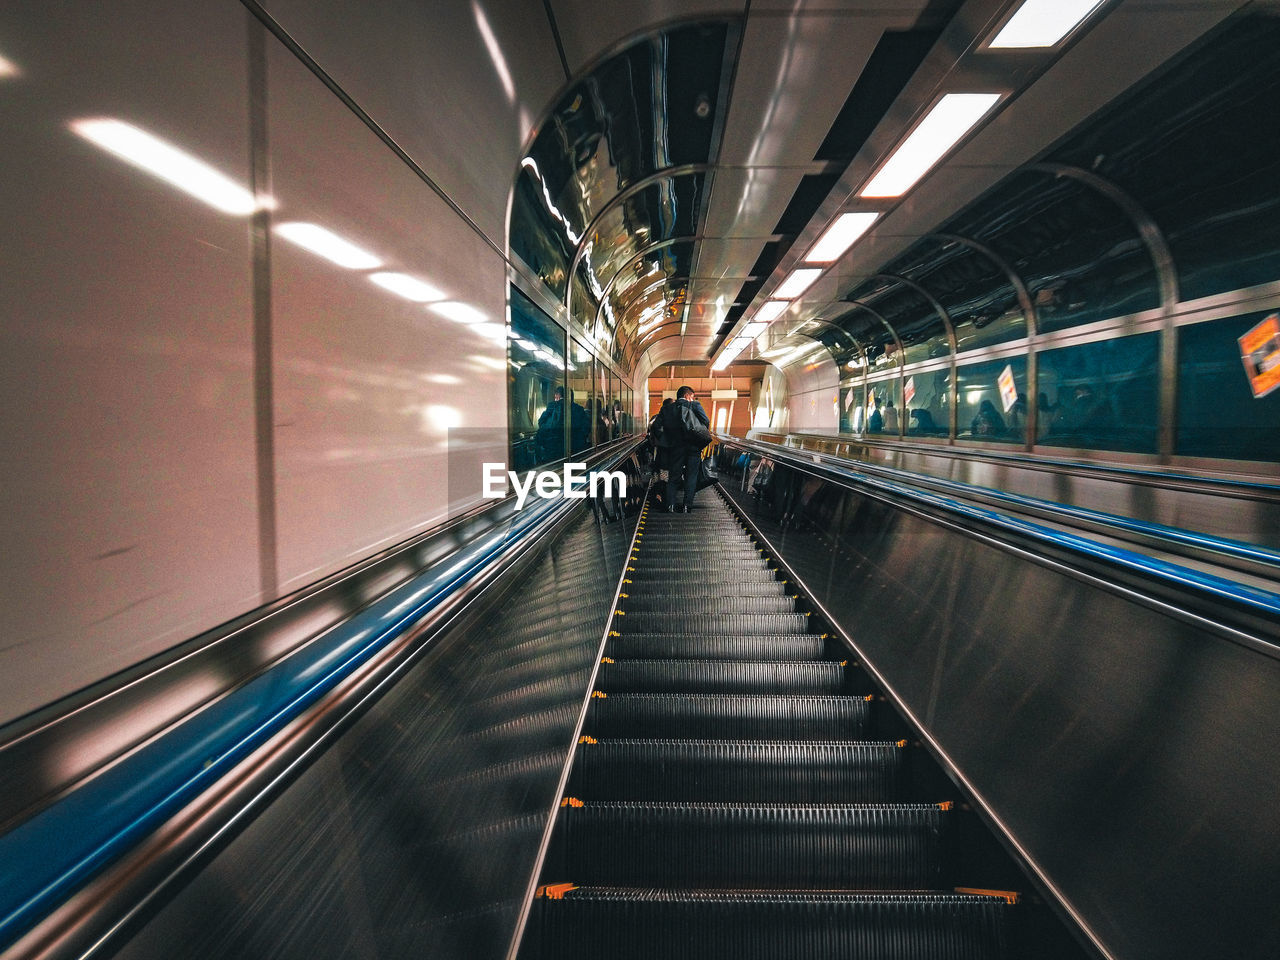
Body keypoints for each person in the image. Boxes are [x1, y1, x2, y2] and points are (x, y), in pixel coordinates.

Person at [661, 385, 710, 512]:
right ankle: (686, 506)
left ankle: (670, 505)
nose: (692, 399)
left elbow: (658, 427)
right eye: (692, 397)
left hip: (675, 447)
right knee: (691, 476)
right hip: (693, 447)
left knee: (674, 477)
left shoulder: (667, 408)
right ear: (687, 396)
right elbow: (706, 422)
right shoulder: (695, 405)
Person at [648, 398, 675, 504]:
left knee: (659, 472)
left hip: (658, 449)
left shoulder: (655, 417)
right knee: (665, 472)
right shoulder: (669, 418)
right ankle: (663, 496)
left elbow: (651, 431)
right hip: (666, 450)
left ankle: (658, 493)